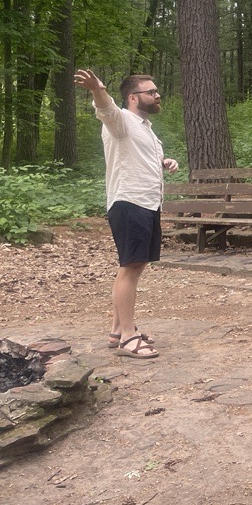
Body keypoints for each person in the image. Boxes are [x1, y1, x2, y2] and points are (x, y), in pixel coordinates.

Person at [74, 69, 178, 360]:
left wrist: (164, 162)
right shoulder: (120, 120)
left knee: (134, 266)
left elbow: (141, 157)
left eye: (157, 91)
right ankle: (129, 338)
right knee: (130, 267)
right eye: (151, 92)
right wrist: (98, 90)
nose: (157, 95)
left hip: (147, 202)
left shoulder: (145, 126)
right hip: (129, 202)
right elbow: (105, 109)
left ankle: (118, 329)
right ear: (133, 98)